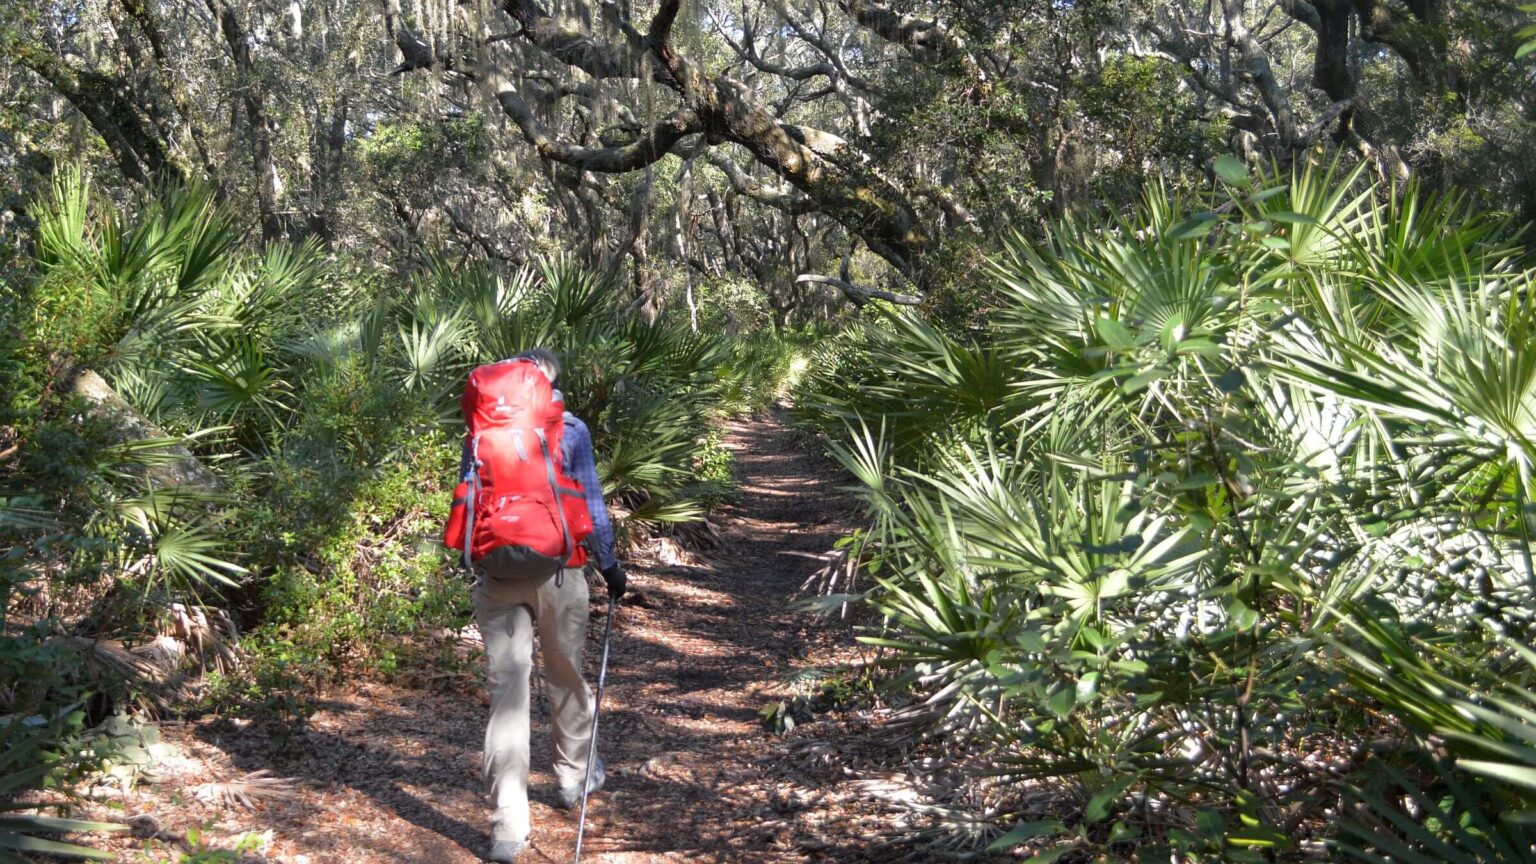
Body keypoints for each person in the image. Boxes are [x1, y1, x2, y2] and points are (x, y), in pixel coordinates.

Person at [463, 348, 627, 863]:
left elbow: (469, 499)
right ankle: (574, 779)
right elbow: (592, 504)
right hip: (559, 573)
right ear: (551, 381)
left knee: (506, 700)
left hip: (496, 578)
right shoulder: (569, 428)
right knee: (565, 676)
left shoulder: (480, 429)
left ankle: (508, 829)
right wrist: (610, 566)